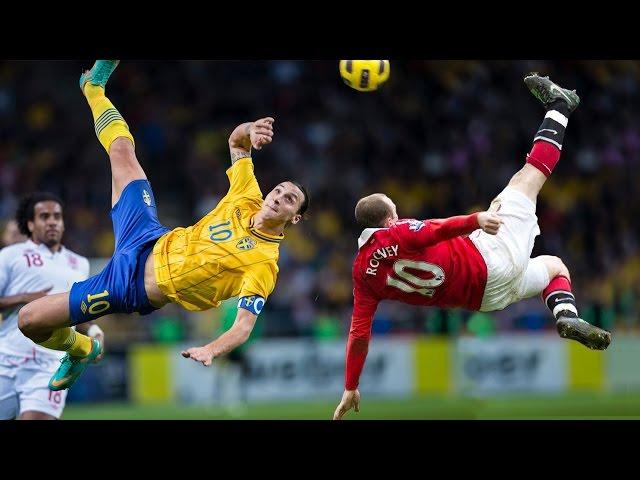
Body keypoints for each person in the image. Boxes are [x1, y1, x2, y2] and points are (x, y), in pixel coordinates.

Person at [18, 60, 309, 391]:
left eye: (289, 200)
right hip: (147, 235)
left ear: (294, 218)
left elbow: (244, 326)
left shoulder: (264, 264)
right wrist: (250, 128)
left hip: (129, 286)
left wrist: (211, 350)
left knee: (30, 321)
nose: (277, 197)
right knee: (123, 151)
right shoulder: (248, 195)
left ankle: (83, 348)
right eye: (279, 190)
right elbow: (237, 143)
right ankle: (94, 89)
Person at [333, 73, 611, 420]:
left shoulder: (361, 274)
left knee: (555, 266)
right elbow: (432, 231)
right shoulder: (396, 233)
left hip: (484, 299)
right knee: (527, 178)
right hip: (488, 258)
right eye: (395, 209)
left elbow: (359, 333)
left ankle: (567, 316)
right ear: (388, 220)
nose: (401, 215)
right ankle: (560, 105)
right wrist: (475, 219)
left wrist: (350, 385)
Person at [0, 193, 104, 419]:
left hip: (49, 365)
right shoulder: (9, 256)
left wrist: (95, 332)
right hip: (6, 360)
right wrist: (24, 298)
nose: (52, 221)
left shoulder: (80, 263)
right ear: (30, 224)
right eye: (44, 216)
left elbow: (79, 311)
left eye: (57, 216)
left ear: (63, 223)